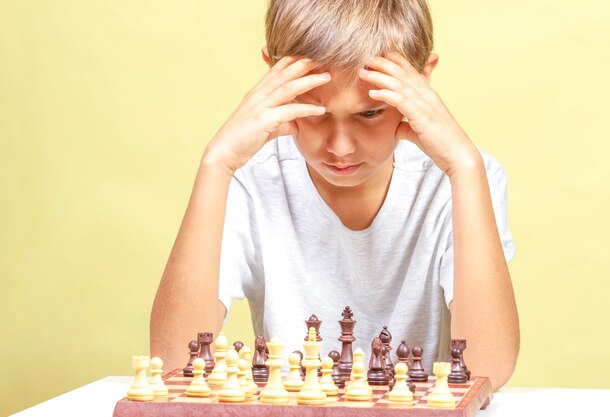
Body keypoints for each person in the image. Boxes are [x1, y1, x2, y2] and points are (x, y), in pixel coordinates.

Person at [150, 0, 519, 390]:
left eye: (371, 113)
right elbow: (175, 365)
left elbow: (486, 370)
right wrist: (216, 165)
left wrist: (465, 168)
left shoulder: (462, 178)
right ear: (271, 77)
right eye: (314, 111)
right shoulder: (248, 176)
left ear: (421, 81)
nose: (341, 148)